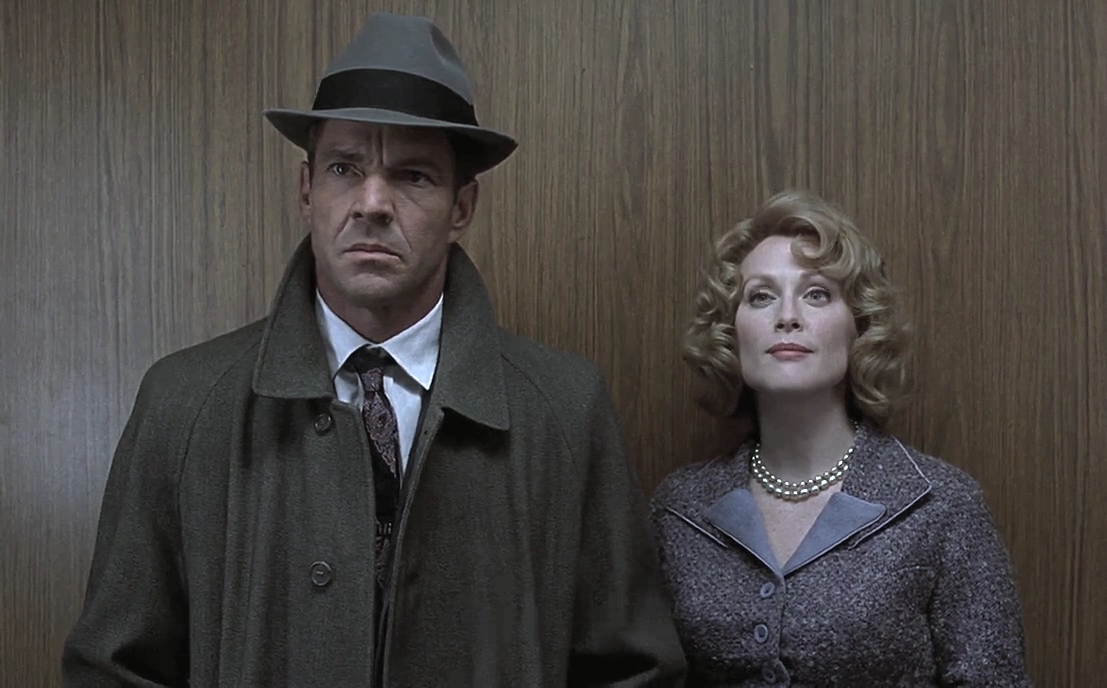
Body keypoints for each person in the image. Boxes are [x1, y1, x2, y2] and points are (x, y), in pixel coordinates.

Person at [62, 12, 686, 687]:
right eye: (344, 168)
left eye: (413, 175)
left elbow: (634, 671)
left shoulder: (565, 410)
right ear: (307, 190)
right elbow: (112, 669)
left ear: (462, 207)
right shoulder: (185, 404)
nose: (372, 202)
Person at [650, 190, 1030, 686]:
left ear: (859, 327)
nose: (787, 316)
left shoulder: (942, 507)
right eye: (761, 296)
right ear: (731, 332)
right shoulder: (679, 509)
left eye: (816, 294)